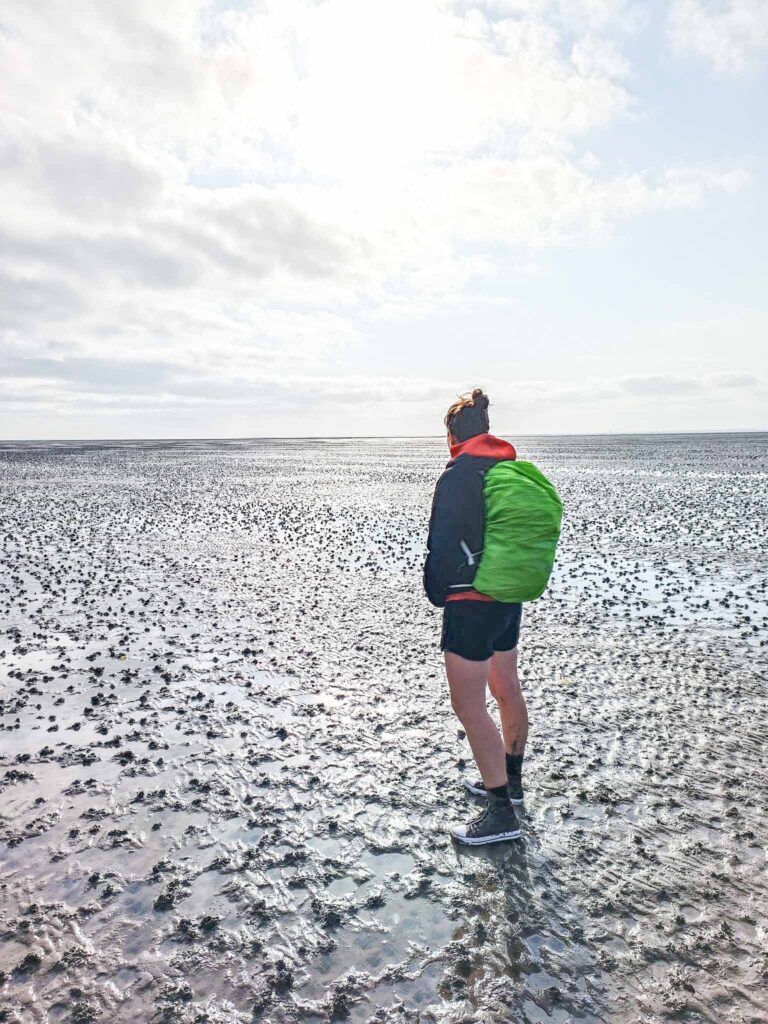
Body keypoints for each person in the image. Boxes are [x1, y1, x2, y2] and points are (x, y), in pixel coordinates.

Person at [424, 388, 527, 845]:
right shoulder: (507, 470)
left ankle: (500, 812)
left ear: (452, 435)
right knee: (506, 687)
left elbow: (442, 542)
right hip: (508, 594)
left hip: (471, 602)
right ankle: (512, 782)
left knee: (468, 705)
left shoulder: (458, 475)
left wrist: (437, 593)